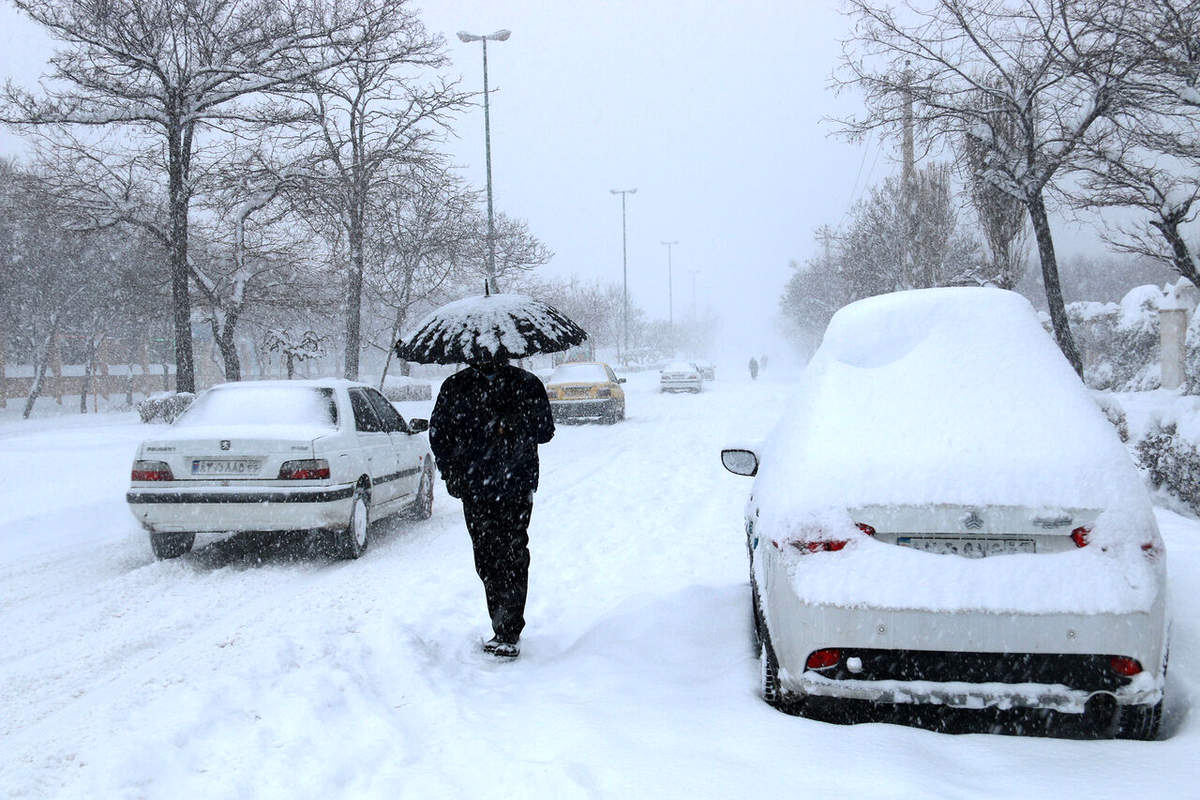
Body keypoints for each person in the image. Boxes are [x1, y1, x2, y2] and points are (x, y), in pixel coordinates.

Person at [429, 357, 555, 659]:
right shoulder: (456, 387)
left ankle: (508, 629)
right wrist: (452, 474)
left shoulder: (526, 384)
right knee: (487, 556)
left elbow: (545, 431)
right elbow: (439, 436)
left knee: (511, 553)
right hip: (477, 487)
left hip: (515, 484)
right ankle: (502, 623)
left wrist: (513, 420)